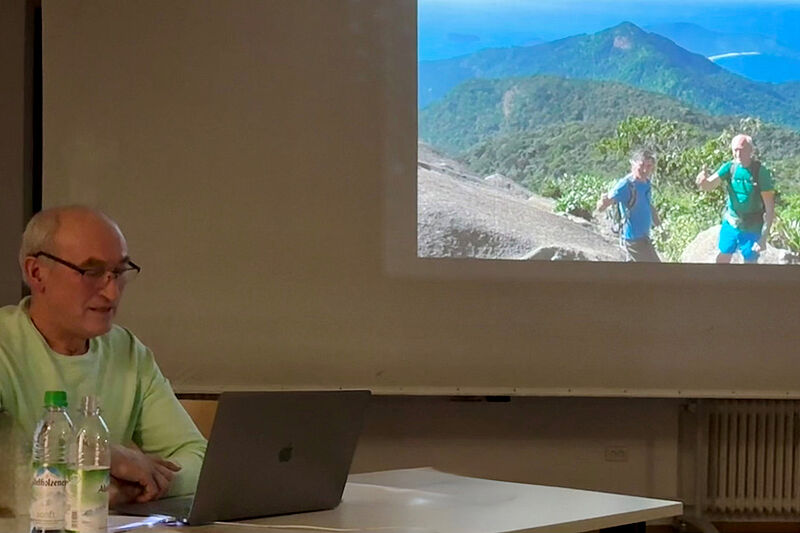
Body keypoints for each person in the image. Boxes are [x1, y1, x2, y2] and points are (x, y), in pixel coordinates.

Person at [0, 206, 207, 506]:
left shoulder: (128, 352)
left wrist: (123, 489)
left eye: (119, 272)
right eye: (92, 272)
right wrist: (104, 459)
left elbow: (197, 459)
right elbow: (7, 480)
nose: (112, 293)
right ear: (37, 272)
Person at [695, 134, 776, 263]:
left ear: (751, 151)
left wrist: (763, 238)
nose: (738, 153)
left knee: (750, 260)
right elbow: (709, 185)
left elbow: (770, 208)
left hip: (752, 225)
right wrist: (702, 181)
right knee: (723, 254)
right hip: (732, 222)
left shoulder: (760, 172)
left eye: (742, 149)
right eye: (735, 150)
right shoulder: (730, 167)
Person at [596, 149, 662, 262]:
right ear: (633, 164)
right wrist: (603, 202)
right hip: (634, 240)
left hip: (644, 238)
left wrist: (659, 226)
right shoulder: (625, 185)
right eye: (641, 165)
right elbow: (601, 207)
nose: (645, 169)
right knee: (657, 273)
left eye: (649, 166)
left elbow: (648, 205)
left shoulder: (646, 183)